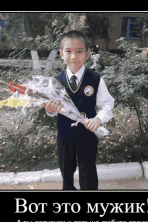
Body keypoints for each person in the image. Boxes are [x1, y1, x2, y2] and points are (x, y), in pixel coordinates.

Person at [42, 30, 114, 190]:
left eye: (79, 51)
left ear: (87, 54)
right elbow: (53, 110)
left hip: (88, 135)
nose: (73, 57)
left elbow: (108, 104)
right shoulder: (55, 82)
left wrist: (98, 119)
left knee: (88, 172)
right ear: (61, 54)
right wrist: (50, 110)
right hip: (64, 135)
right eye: (68, 51)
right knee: (66, 172)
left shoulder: (95, 79)